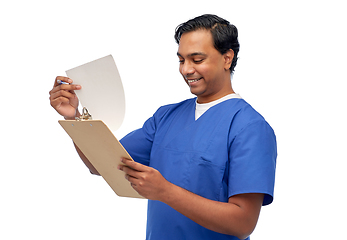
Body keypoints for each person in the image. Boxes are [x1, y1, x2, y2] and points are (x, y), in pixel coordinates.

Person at [49, 14, 277, 240]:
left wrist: (165, 192)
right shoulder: (166, 117)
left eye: (197, 60)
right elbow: (101, 165)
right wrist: (75, 118)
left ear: (227, 58)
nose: (186, 70)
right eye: (181, 60)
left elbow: (243, 223)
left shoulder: (250, 127)